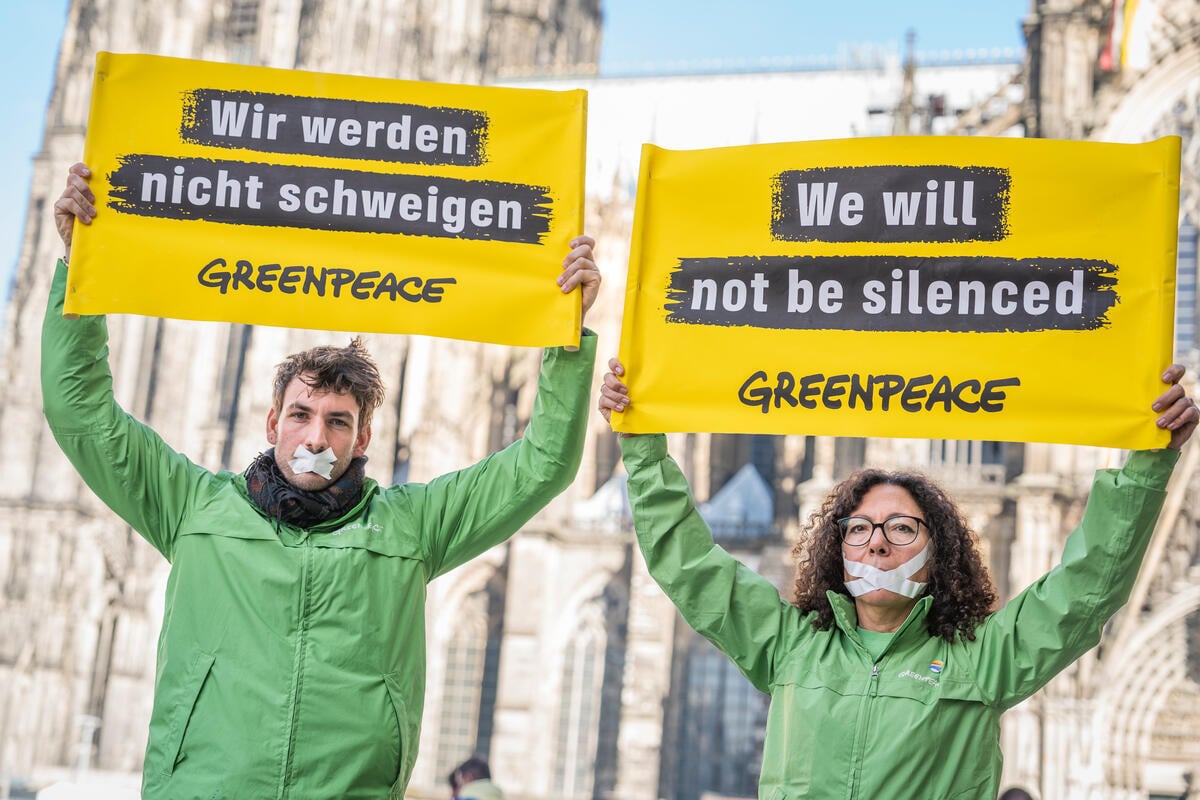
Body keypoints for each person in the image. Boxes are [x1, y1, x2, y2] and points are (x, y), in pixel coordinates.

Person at [45, 162, 600, 800]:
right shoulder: (194, 507)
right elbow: (80, 412)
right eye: (303, 416)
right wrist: (75, 263)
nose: (316, 438)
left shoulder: (410, 527)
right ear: (273, 421)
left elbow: (544, 463)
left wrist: (568, 333)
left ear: (363, 439)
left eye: (338, 423)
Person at [598, 357, 1197, 800]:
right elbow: (687, 563)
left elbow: (1085, 590)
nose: (877, 540)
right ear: (838, 550)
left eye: (902, 529)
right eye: (858, 529)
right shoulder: (791, 648)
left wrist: (1147, 464)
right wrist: (643, 448)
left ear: (939, 556)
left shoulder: (981, 663)